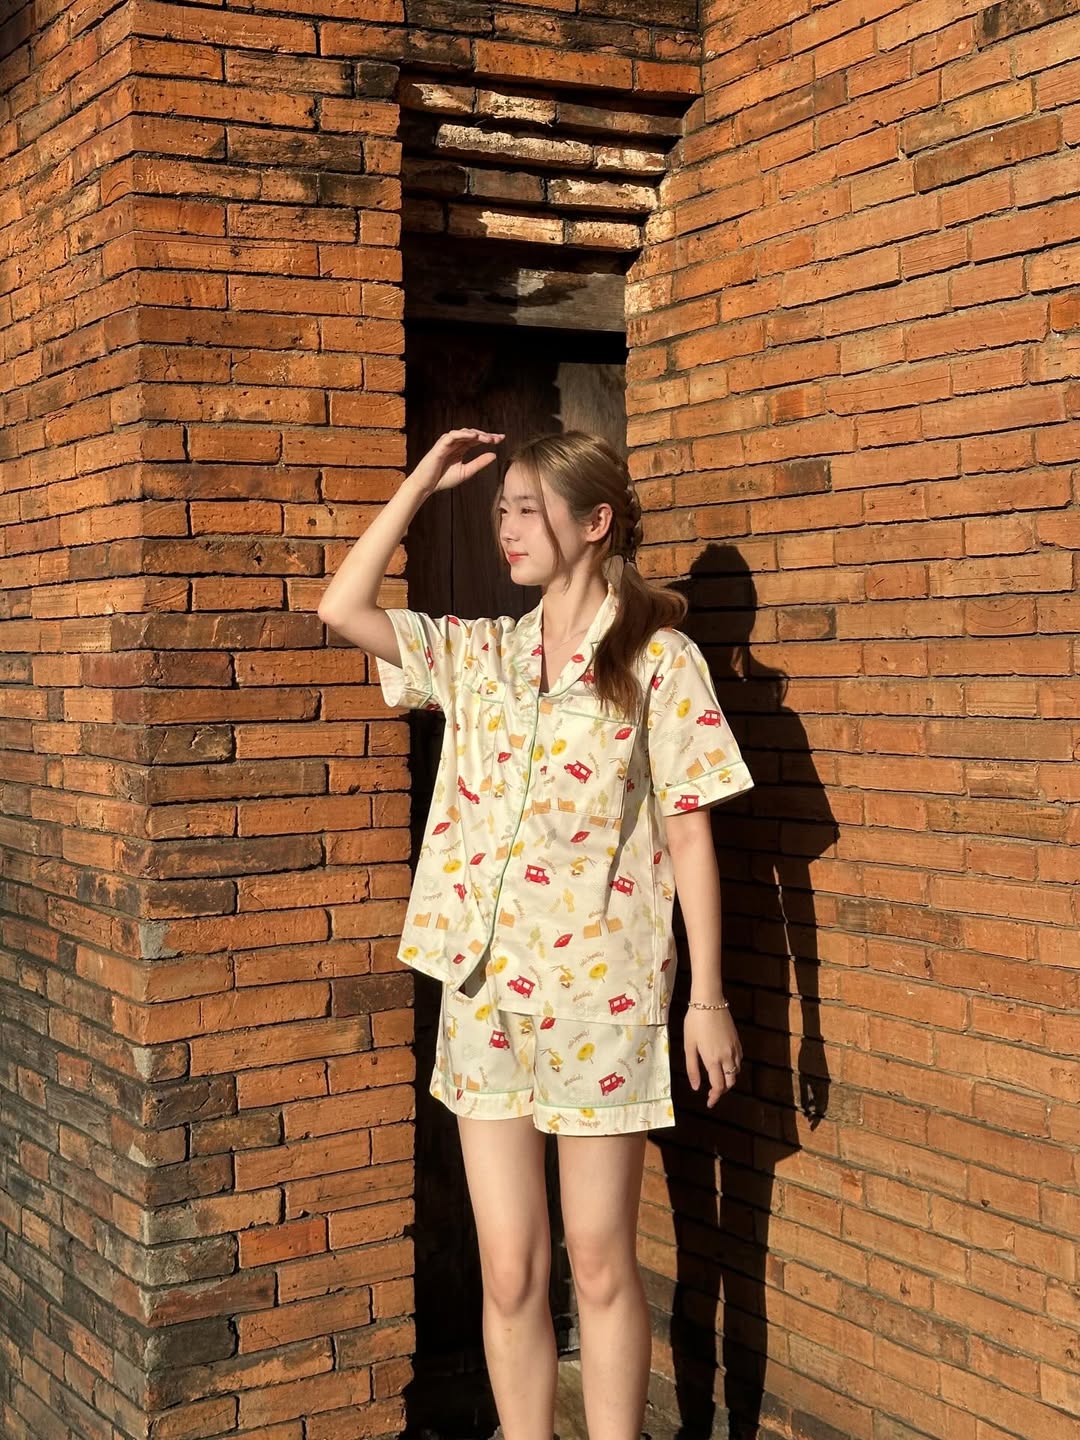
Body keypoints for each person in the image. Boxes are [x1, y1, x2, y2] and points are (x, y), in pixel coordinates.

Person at [317, 428, 754, 1440]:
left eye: (528, 508)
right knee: (510, 1270)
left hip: (602, 999)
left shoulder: (658, 662)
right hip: (482, 995)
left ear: (596, 522)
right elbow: (341, 607)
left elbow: (690, 835)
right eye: (501, 508)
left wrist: (708, 999)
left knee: (598, 1263)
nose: (506, 527)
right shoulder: (482, 654)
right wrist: (424, 480)